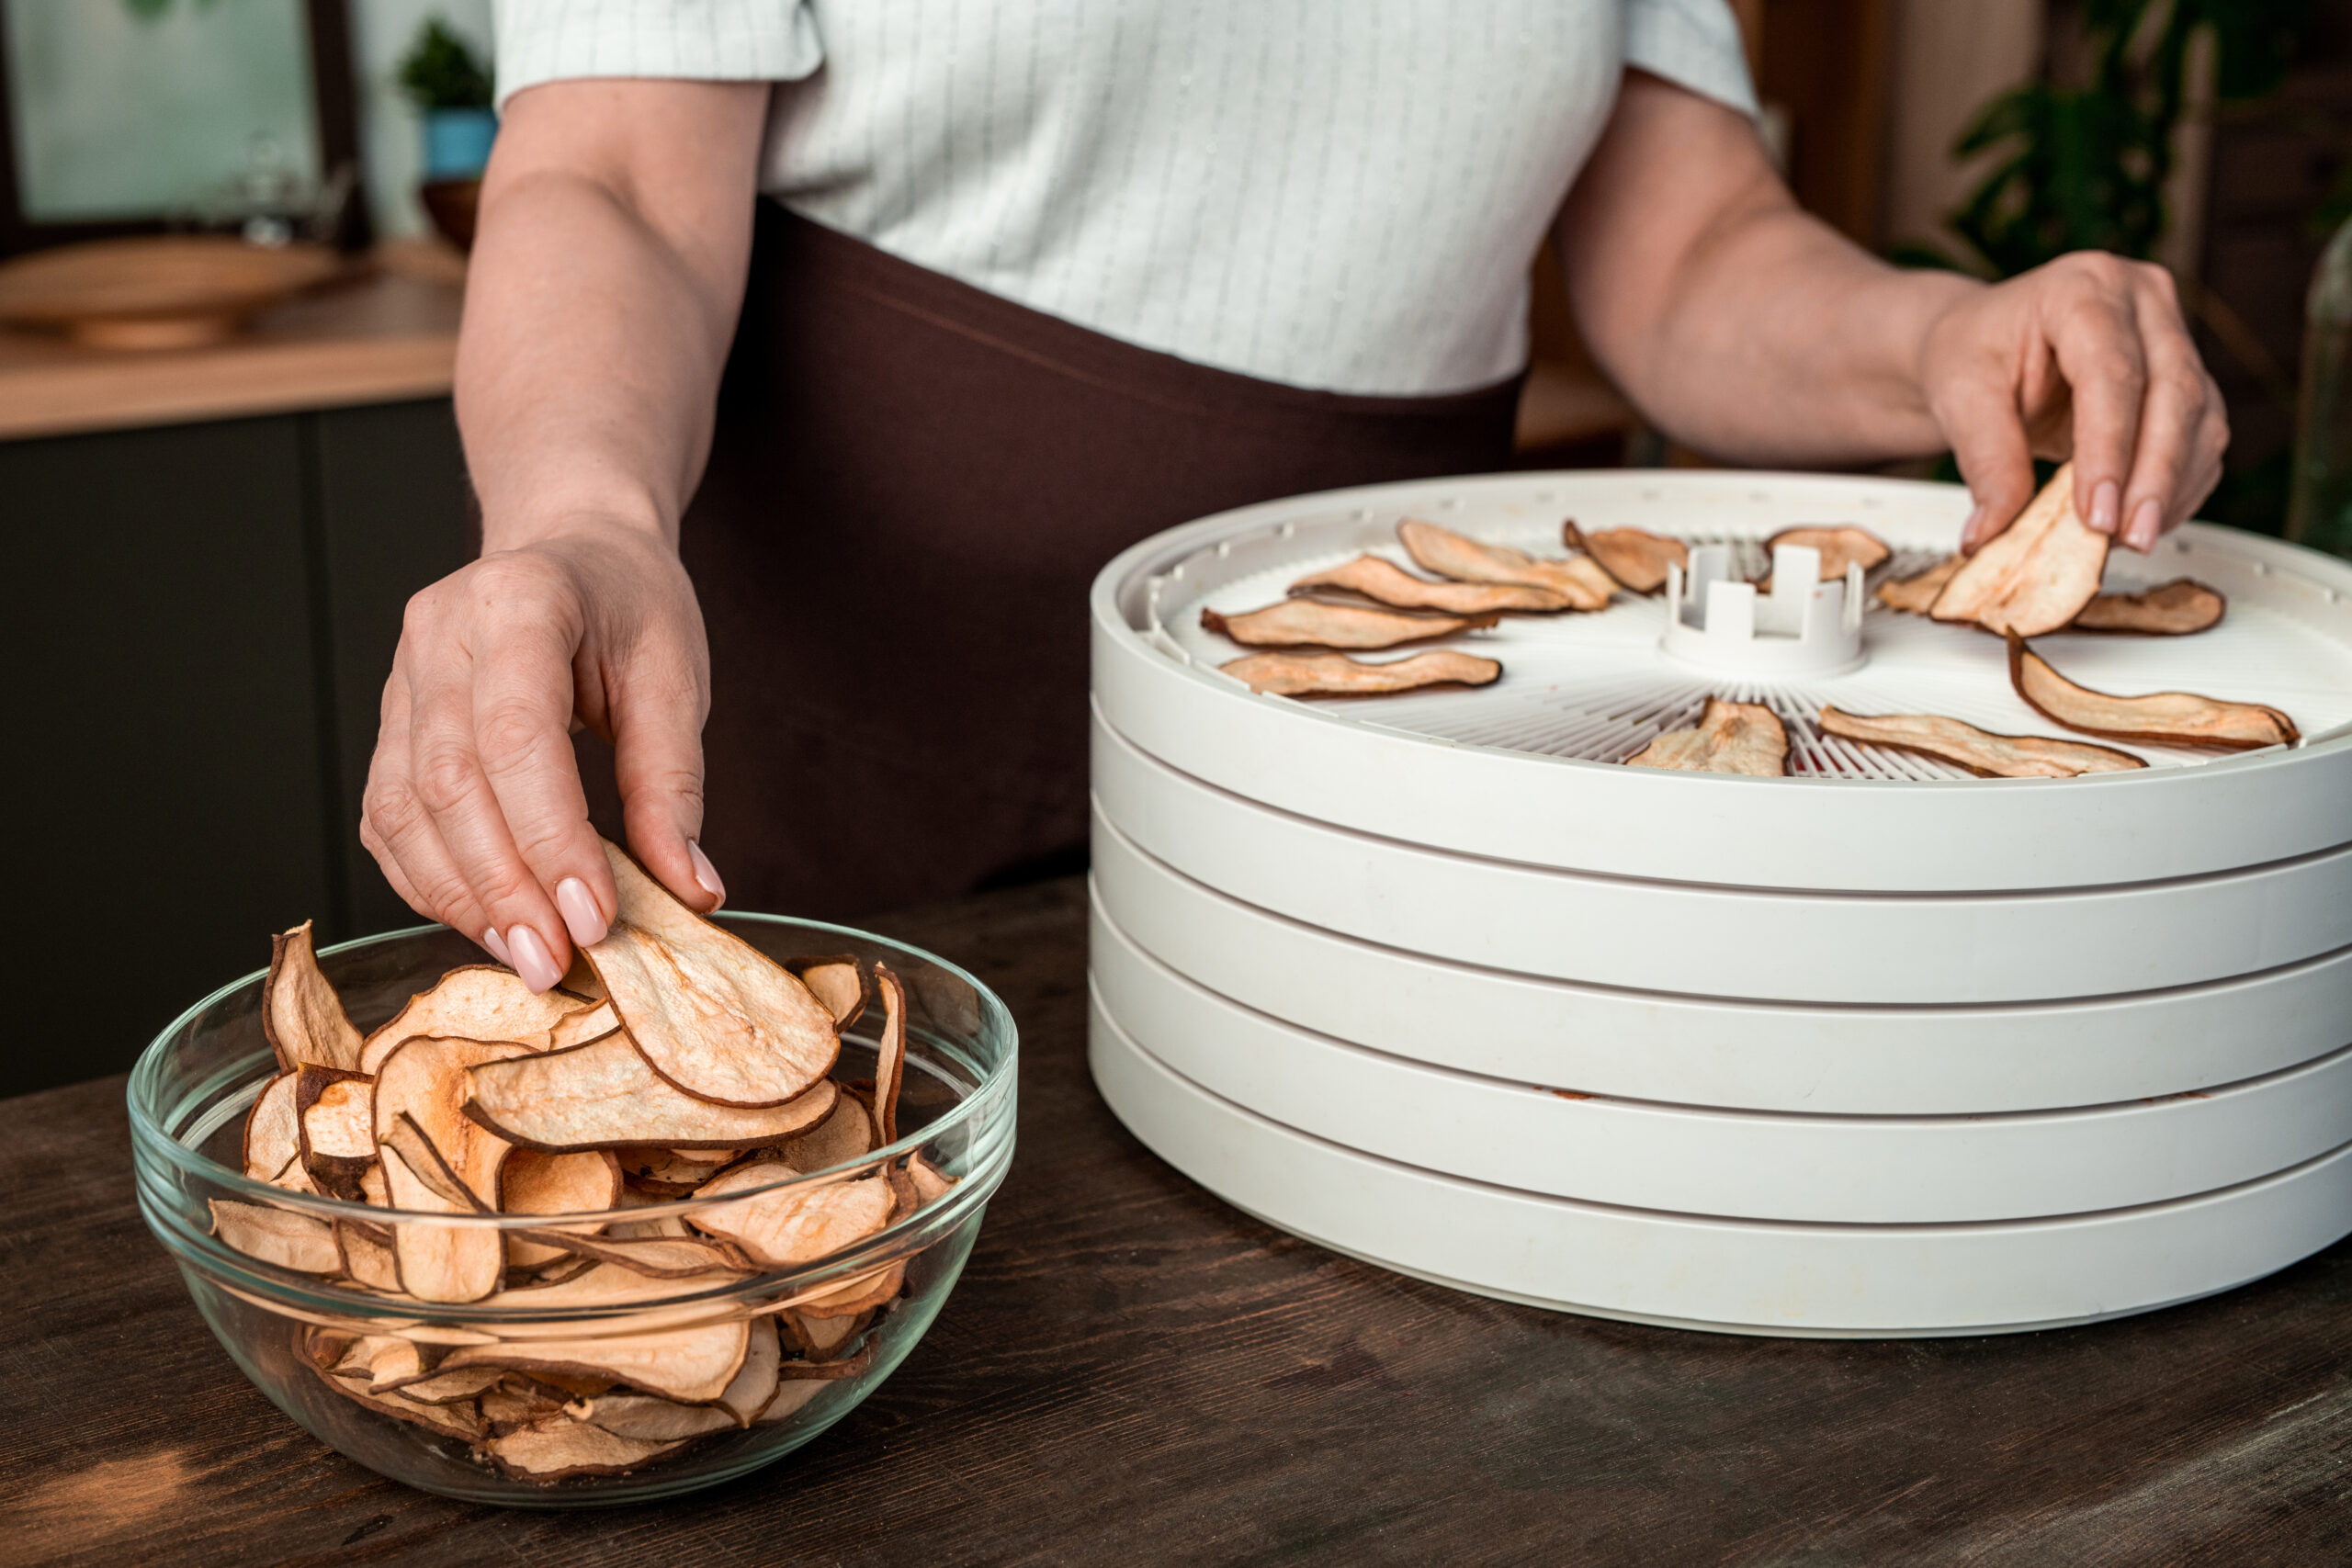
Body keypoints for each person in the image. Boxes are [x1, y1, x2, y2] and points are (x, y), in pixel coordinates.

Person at [362, 1, 2228, 993]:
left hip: (1361, 789)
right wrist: (580, 522)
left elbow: (1686, 251)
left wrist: (1945, 336)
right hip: (815, 761)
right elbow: (603, 178)